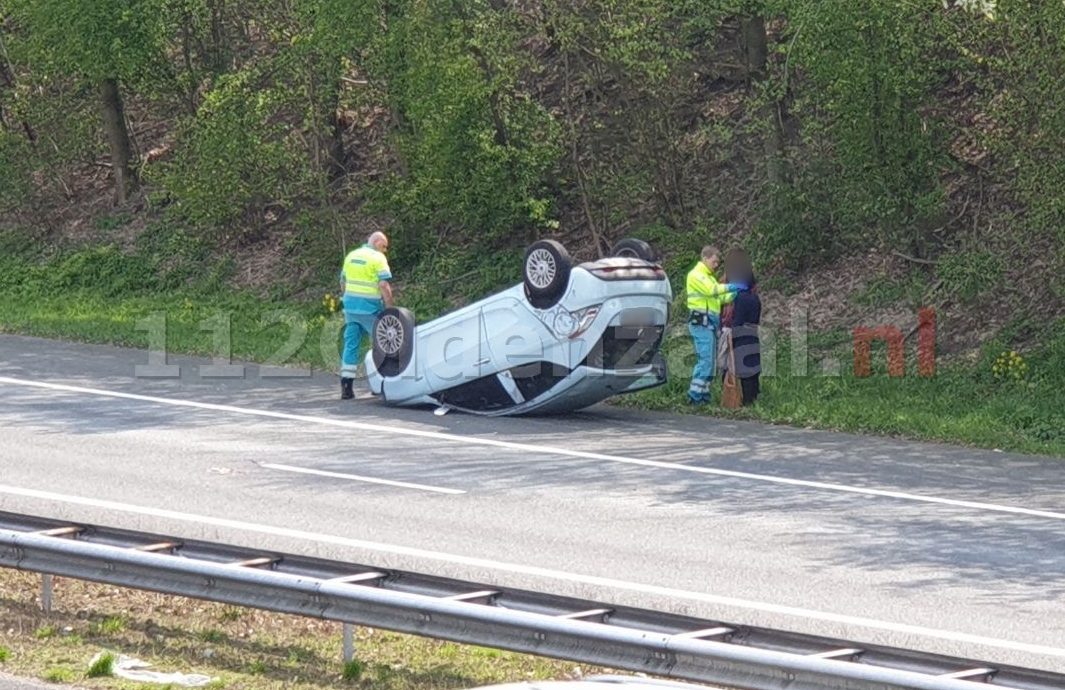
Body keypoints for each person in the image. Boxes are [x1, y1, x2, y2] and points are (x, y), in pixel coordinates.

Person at [685, 245, 744, 405]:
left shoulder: (709, 276)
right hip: (701, 322)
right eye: (714, 261)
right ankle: (694, 395)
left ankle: (703, 394)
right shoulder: (697, 275)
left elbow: (719, 299)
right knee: (706, 360)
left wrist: (734, 294)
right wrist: (732, 286)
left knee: (710, 362)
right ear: (704, 258)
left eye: (718, 262)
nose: (716, 265)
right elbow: (712, 291)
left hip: (709, 324)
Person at [339, 231, 394, 400]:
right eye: (384, 246)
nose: (385, 250)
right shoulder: (377, 258)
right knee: (383, 344)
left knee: (351, 345)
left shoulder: (351, 255)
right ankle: (382, 385)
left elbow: (342, 282)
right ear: (377, 242)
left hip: (350, 308)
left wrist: (349, 299)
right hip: (369, 308)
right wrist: (390, 308)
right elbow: (384, 285)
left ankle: (346, 386)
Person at [722, 251, 761, 405]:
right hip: (753, 332)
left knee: (739, 366)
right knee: (753, 365)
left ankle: (741, 399)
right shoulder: (755, 298)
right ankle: (754, 396)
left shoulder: (740, 298)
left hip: (740, 335)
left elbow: (737, 320)